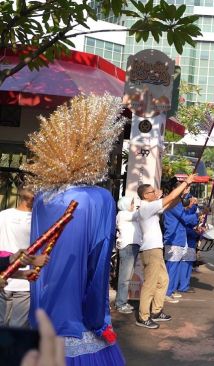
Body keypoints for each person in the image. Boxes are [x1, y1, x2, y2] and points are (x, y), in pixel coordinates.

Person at [24, 94, 127, 364]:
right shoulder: (98, 199)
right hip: (79, 322)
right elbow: (99, 265)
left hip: (42, 318)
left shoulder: (43, 197)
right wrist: (98, 321)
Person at [135, 173, 197, 329]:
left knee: (163, 281)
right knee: (150, 284)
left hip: (156, 249)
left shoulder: (150, 206)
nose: (156, 193)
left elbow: (170, 204)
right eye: (152, 192)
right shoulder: (147, 207)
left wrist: (183, 193)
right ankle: (143, 316)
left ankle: (156, 311)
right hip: (151, 250)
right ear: (145, 195)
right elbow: (168, 199)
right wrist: (185, 183)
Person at [0, 188, 47, 328]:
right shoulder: (4, 216)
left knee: (12, 327)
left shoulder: (38, 220)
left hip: (23, 280)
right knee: (16, 329)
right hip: (11, 278)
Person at [164, 188, 199, 300]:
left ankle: (171, 290)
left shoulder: (177, 203)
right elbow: (186, 218)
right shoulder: (174, 204)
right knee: (172, 267)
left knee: (175, 267)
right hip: (174, 239)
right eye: (186, 189)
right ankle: (167, 292)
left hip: (179, 239)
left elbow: (187, 217)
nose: (188, 194)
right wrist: (197, 215)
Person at [114, 196, 142, 314]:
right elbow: (138, 215)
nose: (133, 206)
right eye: (131, 203)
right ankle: (120, 304)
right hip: (128, 247)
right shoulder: (122, 214)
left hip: (133, 246)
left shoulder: (128, 215)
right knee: (124, 278)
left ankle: (123, 302)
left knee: (127, 277)